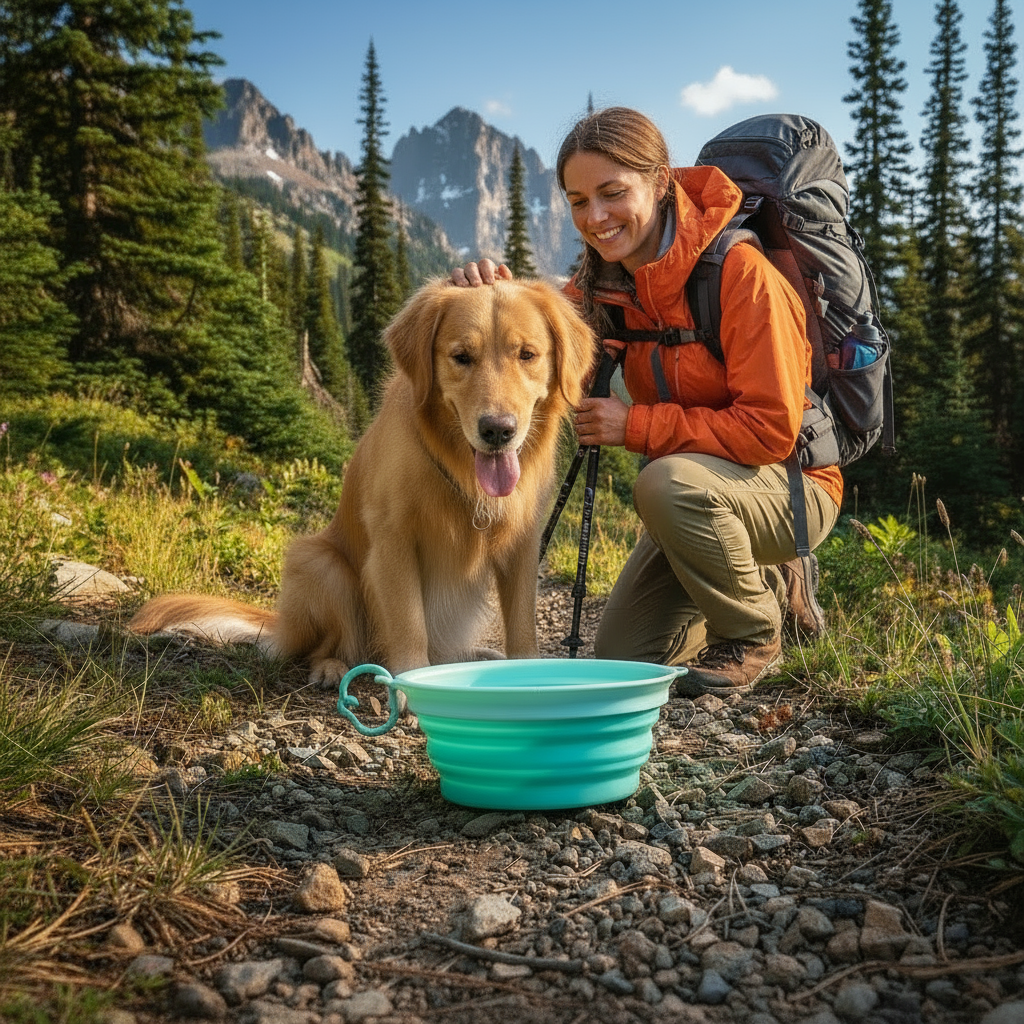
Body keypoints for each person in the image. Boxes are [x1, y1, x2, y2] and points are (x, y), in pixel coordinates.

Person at [452, 106, 841, 695]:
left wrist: (634, 425)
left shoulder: (743, 275)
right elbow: (542, 356)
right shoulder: (604, 284)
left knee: (663, 483)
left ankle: (754, 633)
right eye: (578, 201)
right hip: (695, 498)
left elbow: (771, 431)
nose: (596, 217)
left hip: (791, 488)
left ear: (660, 182)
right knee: (624, 658)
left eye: (612, 193)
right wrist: (491, 296)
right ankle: (760, 581)